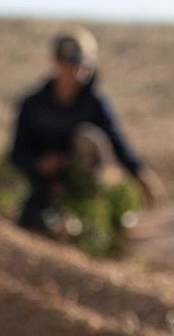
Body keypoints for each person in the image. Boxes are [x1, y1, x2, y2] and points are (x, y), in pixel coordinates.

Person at [8, 28, 164, 235]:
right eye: (70, 64)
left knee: (88, 137)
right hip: (42, 182)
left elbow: (118, 144)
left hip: (85, 183)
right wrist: (40, 164)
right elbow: (17, 153)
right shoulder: (34, 105)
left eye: (83, 65)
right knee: (35, 221)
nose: (77, 71)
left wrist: (141, 175)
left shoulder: (95, 104)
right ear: (57, 63)